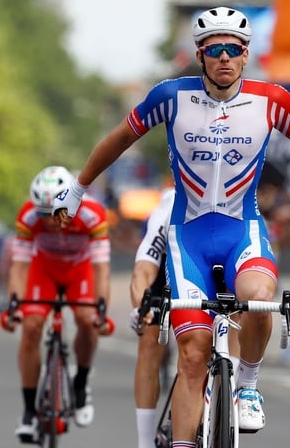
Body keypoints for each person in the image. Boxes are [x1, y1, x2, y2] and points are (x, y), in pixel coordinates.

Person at [52, 7, 290, 447]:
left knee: (259, 298)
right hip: (189, 237)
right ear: (201, 55)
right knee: (192, 355)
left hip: (242, 228)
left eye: (234, 49)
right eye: (215, 49)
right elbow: (121, 138)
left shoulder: (271, 100)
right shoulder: (170, 96)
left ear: (246, 55)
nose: (225, 57)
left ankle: (248, 385)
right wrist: (78, 188)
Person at [3, 165, 111, 443]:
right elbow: (19, 266)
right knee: (31, 326)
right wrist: (14, 305)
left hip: (80, 270)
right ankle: (28, 410)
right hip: (45, 271)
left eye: (54, 213)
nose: (49, 221)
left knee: (88, 321)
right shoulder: (28, 216)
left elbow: (101, 269)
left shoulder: (92, 214)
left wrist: (102, 310)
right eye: (43, 214)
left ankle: (81, 383)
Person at [129, 188, 174, 448]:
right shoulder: (164, 214)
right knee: (149, 342)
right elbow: (142, 272)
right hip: (165, 264)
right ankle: (145, 442)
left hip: (208, 257)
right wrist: (141, 308)